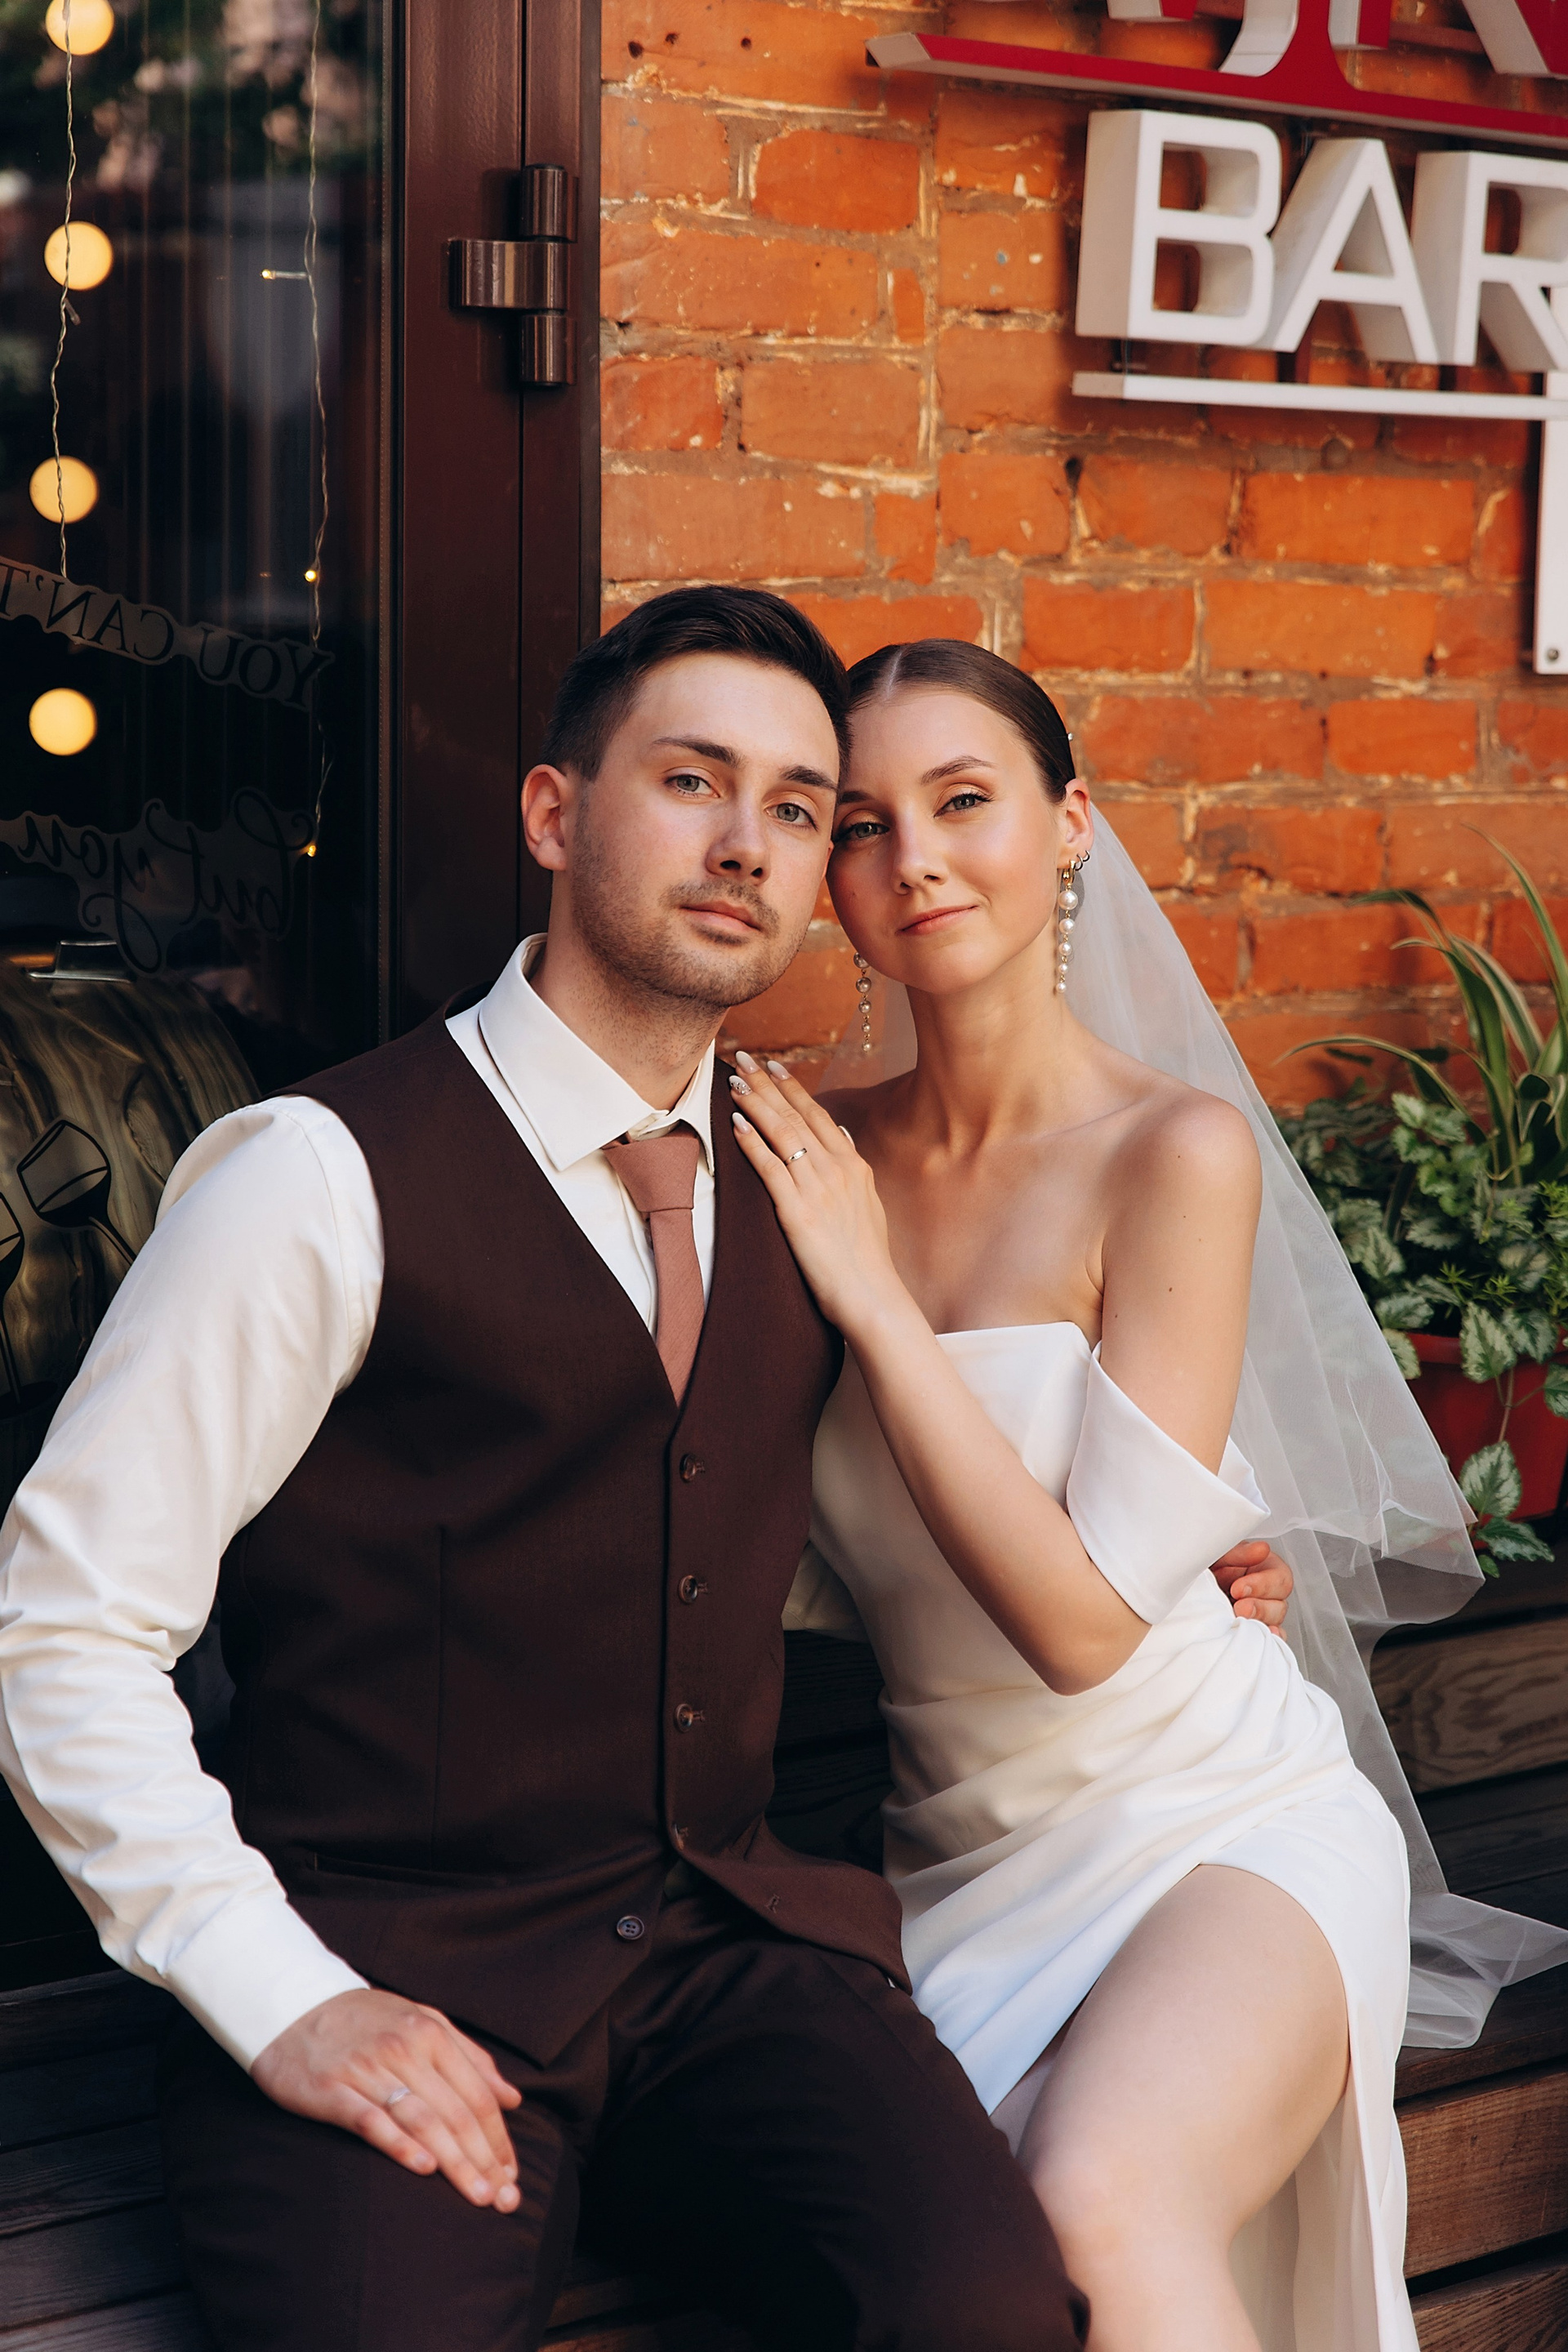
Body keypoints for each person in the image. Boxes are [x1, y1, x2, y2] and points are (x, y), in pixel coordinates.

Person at [0, 590, 1294, 2352]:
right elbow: (67, 1626)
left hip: (733, 1955)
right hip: (393, 1960)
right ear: (554, 813)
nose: (746, 842)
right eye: (693, 780)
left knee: (991, 2308)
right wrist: (280, 1995)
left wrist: (1175, 1556)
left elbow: (764, 1527)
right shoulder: (316, 1173)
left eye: (797, 807)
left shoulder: (799, 1181)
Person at [728, 639, 1558, 2352]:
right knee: (974, 2264)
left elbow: (1089, 1633)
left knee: (1099, 2198)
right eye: (864, 825)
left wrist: (876, 1302)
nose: (916, 860)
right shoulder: (800, 1154)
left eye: (966, 801)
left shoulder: (1171, 1151)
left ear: (1072, 824)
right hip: (953, 1866)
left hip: (1217, 1819)